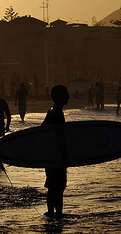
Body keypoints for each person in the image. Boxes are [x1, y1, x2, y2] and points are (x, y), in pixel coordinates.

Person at [42, 85, 70, 219]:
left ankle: (56, 214)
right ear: (59, 97)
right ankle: (53, 214)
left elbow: (43, 130)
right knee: (56, 186)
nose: (69, 97)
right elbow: (59, 136)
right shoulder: (56, 112)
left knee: (57, 186)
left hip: (52, 155)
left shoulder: (53, 111)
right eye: (66, 94)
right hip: (56, 156)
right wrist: (64, 155)